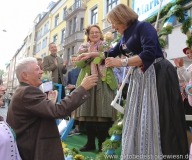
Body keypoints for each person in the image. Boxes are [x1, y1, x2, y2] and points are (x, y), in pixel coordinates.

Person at [77, 4, 188, 158]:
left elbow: (149, 54)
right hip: (139, 78)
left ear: (121, 18)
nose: (113, 27)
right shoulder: (124, 35)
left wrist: (121, 62)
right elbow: (111, 52)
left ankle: (158, 153)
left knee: (158, 115)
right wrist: (89, 55)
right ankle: (140, 152)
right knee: (137, 116)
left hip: (156, 74)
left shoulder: (144, 27)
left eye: (114, 22)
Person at [6, 57, 98, 160]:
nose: (41, 72)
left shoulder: (23, 91)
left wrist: (49, 102)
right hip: (35, 151)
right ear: (25, 75)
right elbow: (58, 110)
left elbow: (42, 113)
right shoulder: (27, 92)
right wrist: (82, 88)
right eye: (37, 69)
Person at [75, 24, 118, 153]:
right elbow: (79, 63)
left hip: (104, 81)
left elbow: (111, 58)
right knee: (88, 114)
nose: (94, 34)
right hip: (87, 81)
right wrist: (90, 55)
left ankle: (101, 144)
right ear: (88, 35)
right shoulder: (82, 47)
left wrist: (94, 54)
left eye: (97, 32)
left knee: (103, 114)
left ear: (100, 33)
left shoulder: (107, 46)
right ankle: (90, 143)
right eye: (92, 32)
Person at [174, 47, 192, 149]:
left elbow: (189, 79)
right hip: (187, 99)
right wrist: (179, 67)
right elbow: (181, 79)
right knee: (186, 125)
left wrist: (181, 67)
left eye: (190, 52)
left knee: (188, 124)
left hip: (190, 100)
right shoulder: (190, 66)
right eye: (187, 53)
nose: (189, 54)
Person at [66, 55, 81, 136]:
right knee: (72, 110)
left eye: (75, 60)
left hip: (79, 92)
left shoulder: (81, 70)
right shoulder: (70, 72)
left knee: (75, 111)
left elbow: (82, 82)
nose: (73, 61)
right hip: (72, 92)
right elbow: (68, 82)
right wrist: (68, 86)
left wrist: (74, 86)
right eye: (72, 60)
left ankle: (77, 127)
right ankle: (72, 127)